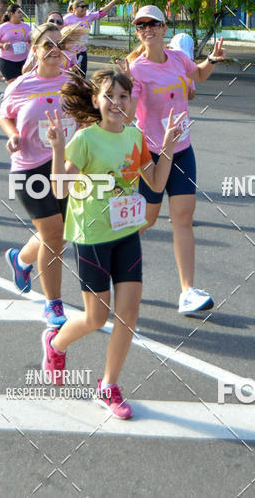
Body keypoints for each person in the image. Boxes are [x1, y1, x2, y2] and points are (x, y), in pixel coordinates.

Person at [41, 67, 185, 419]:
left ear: (133, 102)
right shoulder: (85, 140)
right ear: (96, 100)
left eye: (123, 96)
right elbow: (60, 189)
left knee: (130, 312)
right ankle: (55, 343)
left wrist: (166, 146)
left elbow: (155, 181)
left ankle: (108, 385)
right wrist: (59, 149)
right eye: (109, 96)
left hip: (126, 233)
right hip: (91, 236)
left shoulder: (135, 138)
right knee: (96, 317)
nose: (116, 102)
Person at [120, 5, 225, 315]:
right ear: (137, 31)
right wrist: (125, 86)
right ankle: (107, 249)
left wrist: (212, 60)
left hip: (181, 149)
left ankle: (188, 292)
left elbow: (200, 76)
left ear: (164, 28)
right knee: (147, 219)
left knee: (183, 217)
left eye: (153, 24)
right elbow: (128, 117)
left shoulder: (178, 58)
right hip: (150, 153)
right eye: (141, 25)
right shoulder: (135, 69)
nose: (147, 29)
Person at [1, 23, 78, 327]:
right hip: (28, 168)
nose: (54, 51)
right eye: (48, 45)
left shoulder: (73, 83)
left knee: (56, 233)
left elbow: (87, 116)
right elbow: (5, 115)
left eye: (59, 45)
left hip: (64, 165)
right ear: (35, 50)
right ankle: (53, 305)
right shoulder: (20, 86)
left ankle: (21, 261)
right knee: (54, 236)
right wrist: (12, 135)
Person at [63, 0, 121, 76]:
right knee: (70, 75)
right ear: (75, 8)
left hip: (81, 52)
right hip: (69, 52)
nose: (85, 9)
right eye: (82, 7)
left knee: (81, 75)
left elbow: (101, 12)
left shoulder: (88, 17)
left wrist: (114, 1)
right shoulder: (67, 19)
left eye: (86, 6)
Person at [0, 3, 31, 83]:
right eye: (19, 12)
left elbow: (31, 40)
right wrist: (2, 45)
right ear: (12, 14)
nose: (21, 14)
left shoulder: (26, 26)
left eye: (21, 12)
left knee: (21, 83)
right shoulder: (3, 27)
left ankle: (8, 95)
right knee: (13, 83)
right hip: (7, 60)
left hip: (23, 60)